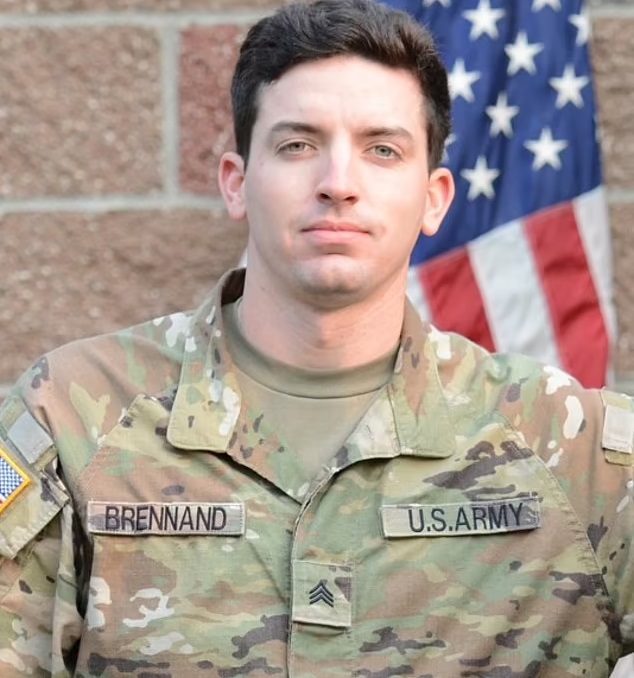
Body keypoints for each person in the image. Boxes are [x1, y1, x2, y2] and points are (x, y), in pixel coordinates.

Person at [0, 0, 632, 675]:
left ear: (434, 198)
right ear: (237, 184)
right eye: (298, 145)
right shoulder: (68, 417)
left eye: (382, 149)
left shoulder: (574, 449)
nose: (338, 184)